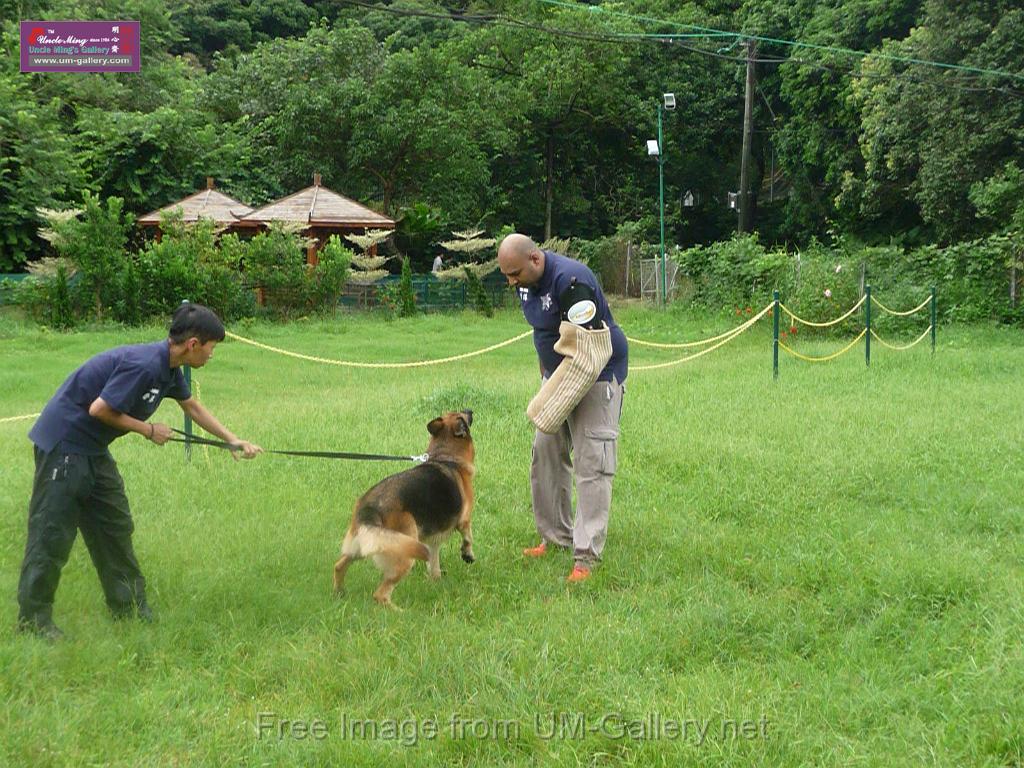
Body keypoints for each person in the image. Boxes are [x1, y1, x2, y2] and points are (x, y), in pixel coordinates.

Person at [16, 303, 262, 640]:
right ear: (193, 344)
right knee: (52, 532)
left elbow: (191, 406)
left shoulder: (169, 368)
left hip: (93, 450)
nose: (212, 355)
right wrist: (148, 430)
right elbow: (99, 408)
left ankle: (129, 607)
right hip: (64, 444)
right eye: (211, 347)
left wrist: (233, 440)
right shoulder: (145, 366)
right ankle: (33, 621)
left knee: (114, 525)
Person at [497, 234, 627, 583]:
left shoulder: (572, 282)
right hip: (558, 376)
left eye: (514, 273)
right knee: (546, 453)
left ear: (535, 260)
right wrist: (546, 380)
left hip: (596, 373)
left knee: (592, 461)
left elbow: (588, 351)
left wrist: (558, 397)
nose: (510, 282)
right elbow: (544, 332)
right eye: (506, 275)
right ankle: (554, 537)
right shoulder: (526, 282)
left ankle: (586, 558)